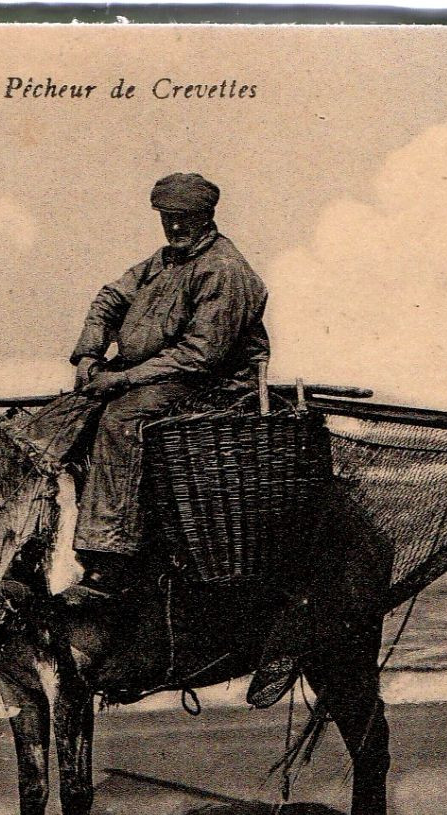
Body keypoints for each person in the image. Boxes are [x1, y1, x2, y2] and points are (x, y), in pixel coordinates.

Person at [27, 172, 271, 606]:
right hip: (153, 376)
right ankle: (33, 544)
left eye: (183, 218)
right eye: (166, 218)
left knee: (123, 420)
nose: (174, 227)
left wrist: (119, 379)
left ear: (206, 216)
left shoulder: (226, 270)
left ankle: (111, 558)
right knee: (56, 419)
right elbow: (109, 299)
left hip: (212, 387)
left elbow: (201, 354)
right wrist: (88, 354)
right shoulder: (162, 261)